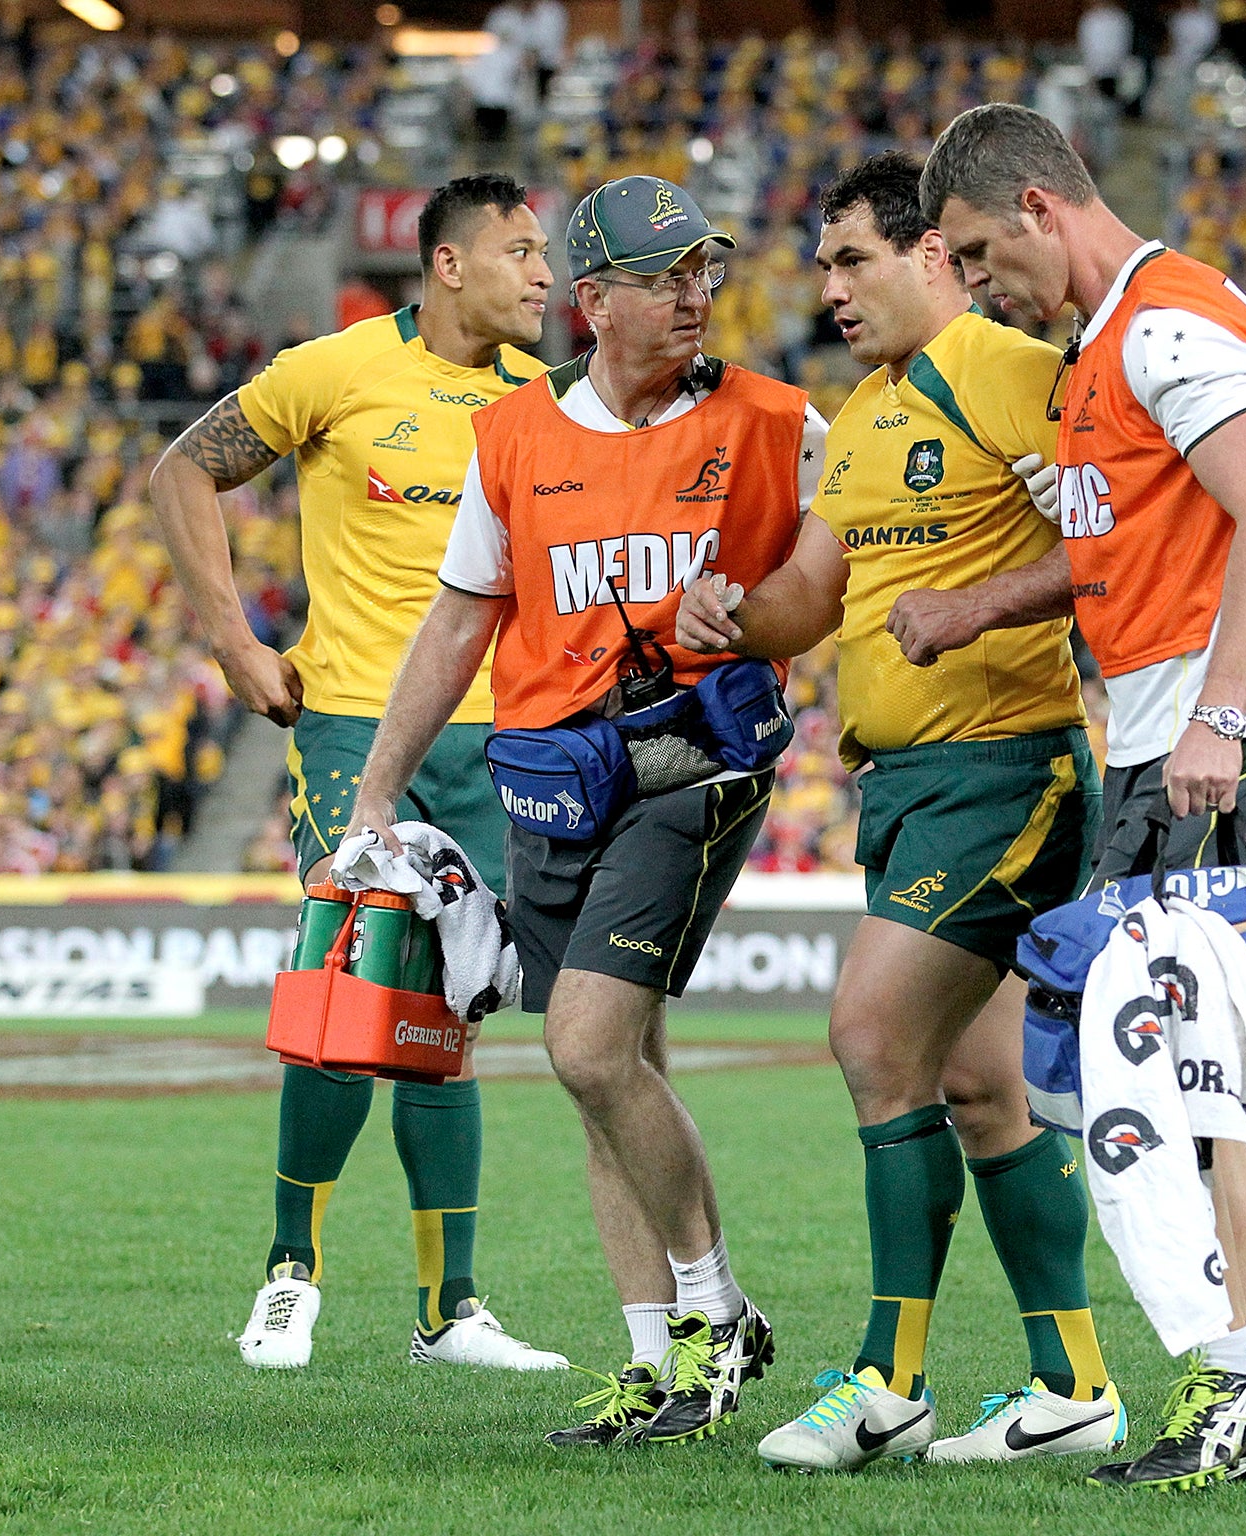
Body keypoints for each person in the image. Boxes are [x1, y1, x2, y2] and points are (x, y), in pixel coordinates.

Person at [342, 176, 829, 1449]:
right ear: (591, 300)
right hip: (553, 780)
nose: (694, 297)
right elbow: (461, 617)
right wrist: (380, 780)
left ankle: (718, 1316)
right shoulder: (512, 437)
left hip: (694, 771)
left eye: (703, 272)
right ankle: (652, 1363)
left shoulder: (779, 421)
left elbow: (865, 554)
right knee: (613, 1075)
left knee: (586, 1045)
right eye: (663, 278)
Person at [919, 102, 1246, 1490]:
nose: (979, 285)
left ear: (1043, 208)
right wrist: (986, 599)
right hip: (1169, 739)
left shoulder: (1169, 326)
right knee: (1155, 1066)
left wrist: (1220, 719)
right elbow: (1122, 547)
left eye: (983, 253)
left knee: (1183, 1067)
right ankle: (1235, 1382)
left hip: (1241, 731)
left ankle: (1240, 1387)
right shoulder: (1096, 351)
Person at [676, 152, 1121, 1472]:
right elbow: (812, 596)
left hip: (1007, 770)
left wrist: (979, 607)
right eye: (823, 264)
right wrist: (731, 614)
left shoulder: (1017, 378)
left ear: (937, 255)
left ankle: (886, 1382)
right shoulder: (864, 415)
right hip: (906, 787)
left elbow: (1114, 535)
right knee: (982, 1088)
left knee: (871, 1034)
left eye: (853, 259)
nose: (831, 287)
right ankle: (1073, 1389)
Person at [148, 174, 566, 1371]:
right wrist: (232, 637)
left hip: (497, 744)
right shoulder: (335, 369)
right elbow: (183, 468)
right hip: (348, 723)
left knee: (447, 1012)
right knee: (346, 977)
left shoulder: (546, 402)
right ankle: (290, 1276)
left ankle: (451, 1312)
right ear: (448, 266)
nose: (544, 276)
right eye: (522, 251)